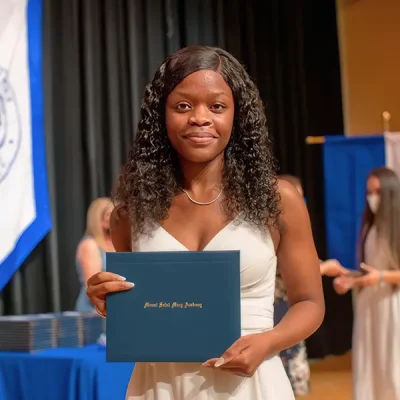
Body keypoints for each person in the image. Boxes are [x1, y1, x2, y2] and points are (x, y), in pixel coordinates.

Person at [86, 46, 325, 399]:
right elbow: (141, 311)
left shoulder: (278, 200)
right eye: (183, 106)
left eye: (217, 106)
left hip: (252, 385)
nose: (200, 118)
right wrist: (106, 301)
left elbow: (309, 303)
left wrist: (267, 342)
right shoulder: (132, 211)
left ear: (237, 115)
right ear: (161, 116)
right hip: (160, 386)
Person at [275, 174, 349, 395]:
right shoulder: (271, 225)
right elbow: (291, 271)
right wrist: (326, 268)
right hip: (274, 308)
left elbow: (303, 262)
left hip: (290, 308)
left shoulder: (294, 226)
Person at [334, 167, 400, 400]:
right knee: (369, 365)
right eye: (369, 192)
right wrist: (350, 280)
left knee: (391, 366)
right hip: (369, 305)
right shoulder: (368, 227)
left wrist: (380, 277)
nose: (372, 198)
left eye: (378, 192)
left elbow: (383, 273)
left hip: (392, 305)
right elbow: (368, 269)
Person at [75, 197, 114, 312]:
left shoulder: (120, 243)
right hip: (94, 311)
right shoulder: (90, 245)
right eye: (108, 214)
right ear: (99, 219)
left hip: (116, 307)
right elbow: (93, 286)